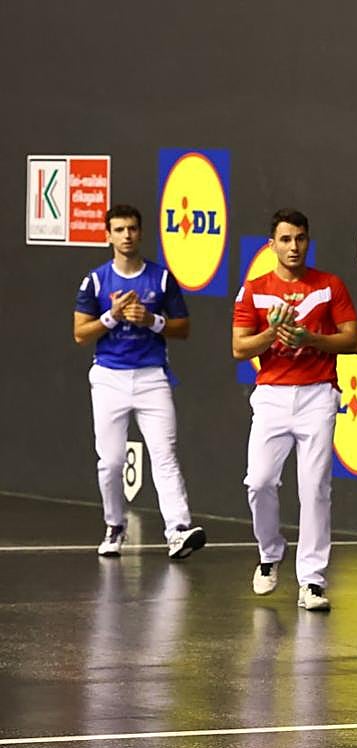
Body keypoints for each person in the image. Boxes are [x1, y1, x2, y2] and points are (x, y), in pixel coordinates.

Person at [232, 209, 357, 611]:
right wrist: (273, 333)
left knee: (315, 487)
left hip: (318, 395)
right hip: (271, 395)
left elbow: (353, 341)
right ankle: (270, 553)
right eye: (285, 240)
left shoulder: (329, 286)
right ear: (271, 245)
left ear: (308, 241)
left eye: (300, 239)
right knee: (259, 482)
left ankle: (313, 581)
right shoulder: (254, 290)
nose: (294, 247)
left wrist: (310, 338)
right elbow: (239, 347)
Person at [73, 204, 207, 560]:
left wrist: (151, 320)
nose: (127, 235)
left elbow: (183, 328)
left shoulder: (161, 279)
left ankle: (177, 530)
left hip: (152, 377)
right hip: (109, 378)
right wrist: (112, 316)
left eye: (132, 228)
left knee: (165, 455)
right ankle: (114, 526)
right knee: (111, 462)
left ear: (141, 232)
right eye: (119, 230)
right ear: (108, 236)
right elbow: (80, 333)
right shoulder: (96, 281)